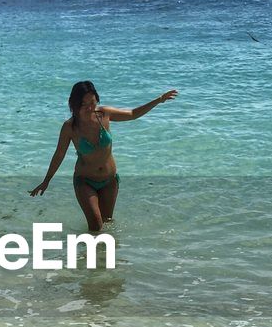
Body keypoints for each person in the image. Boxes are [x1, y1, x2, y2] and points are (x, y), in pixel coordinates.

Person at [29, 80, 178, 231]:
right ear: (74, 104)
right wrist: (46, 181)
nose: (89, 107)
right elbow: (59, 154)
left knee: (107, 224)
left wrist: (159, 100)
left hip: (110, 181)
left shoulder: (104, 114)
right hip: (85, 181)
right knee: (95, 225)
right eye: (84, 104)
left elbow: (133, 114)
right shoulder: (70, 127)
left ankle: (102, 254)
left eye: (92, 102)